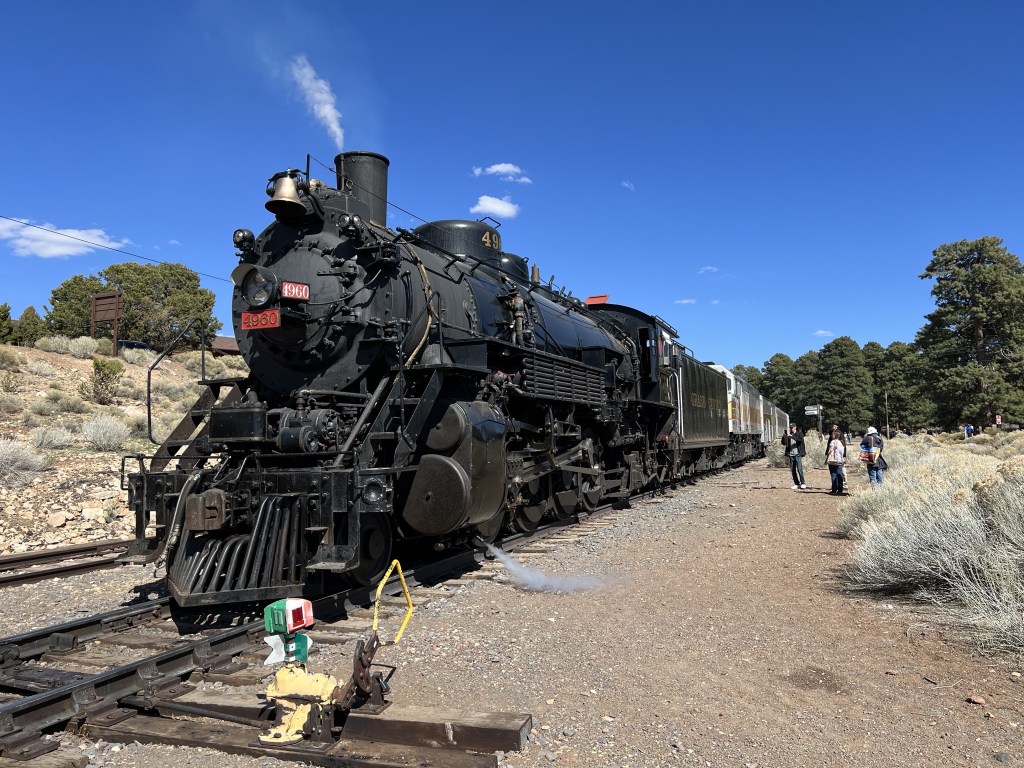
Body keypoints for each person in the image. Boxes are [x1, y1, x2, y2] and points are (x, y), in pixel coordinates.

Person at [781, 422, 806, 489]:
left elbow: (800, 440)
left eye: (792, 427)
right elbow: (783, 443)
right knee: (793, 470)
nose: (791, 429)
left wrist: (791, 436)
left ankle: (803, 483)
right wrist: (784, 437)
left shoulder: (799, 434)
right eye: (790, 428)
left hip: (798, 454)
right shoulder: (789, 435)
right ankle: (796, 483)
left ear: (795, 427)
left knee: (800, 469)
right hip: (791, 454)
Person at [825, 429, 846, 495]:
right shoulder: (841, 443)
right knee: (839, 475)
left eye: (832, 435)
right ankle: (840, 489)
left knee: (833, 474)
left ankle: (834, 489)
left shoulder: (832, 442)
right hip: (839, 460)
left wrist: (826, 459)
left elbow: (829, 451)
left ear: (834, 436)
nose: (831, 435)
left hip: (832, 461)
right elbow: (842, 452)